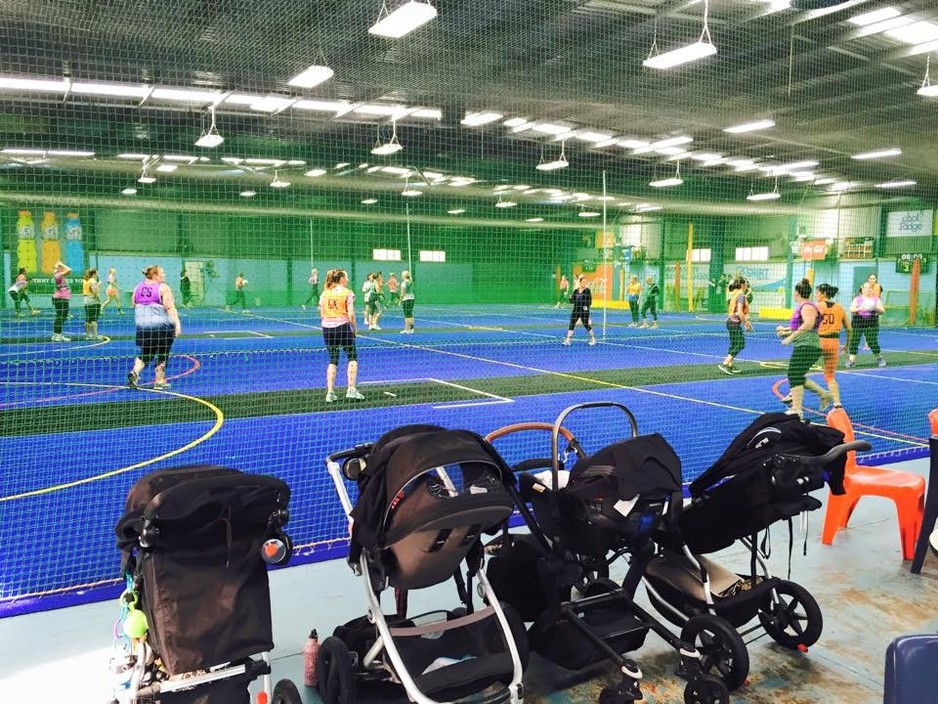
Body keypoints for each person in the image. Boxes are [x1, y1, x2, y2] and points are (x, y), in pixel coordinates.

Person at [775, 278, 829, 419]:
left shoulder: (807, 306)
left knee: (793, 374)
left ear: (797, 292)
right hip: (805, 345)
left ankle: (797, 409)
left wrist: (790, 338)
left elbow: (809, 324)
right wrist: (786, 331)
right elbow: (800, 326)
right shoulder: (803, 306)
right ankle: (823, 394)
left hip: (809, 346)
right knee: (797, 375)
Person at [128, 265, 182, 390]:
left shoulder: (138, 287)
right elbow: (170, 307)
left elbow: (133, 304)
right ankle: (159, 381)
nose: (164, 275)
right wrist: (177, 323)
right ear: (155, 275)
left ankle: (135, 371)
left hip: (143, 326)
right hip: (161, 327)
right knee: (163, 353)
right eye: (162, 273)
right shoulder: (163, 287)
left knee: (146, 352)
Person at [319, 268, 364, 402]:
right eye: (346, 277)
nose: (348, 279)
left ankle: (330, 392)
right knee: (352, 357)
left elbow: (322, 313)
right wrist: (354, 329)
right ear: (342, 279)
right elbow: (350, 314)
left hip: (327, 328)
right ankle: (351, 389)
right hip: (342, 327)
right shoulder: (347, 293)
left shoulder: (325, 293)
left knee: (333, 359)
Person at [814, 283, 850, 409]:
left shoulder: (817, 307)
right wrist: (846, 345)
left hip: (818, 341)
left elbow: (806, 325)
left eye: (817, 293)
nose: (815, 295)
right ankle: (837, 403)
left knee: (799, 370)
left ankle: (793, 396)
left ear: (823, 294)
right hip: (834, 343)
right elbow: (850, 329)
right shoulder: (839, 308)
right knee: (830, 376)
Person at [846, 282, 886, 368]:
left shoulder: (876, 299)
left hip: (872, 321)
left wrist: (875, 308)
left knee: (872, 341)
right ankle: (851, 360)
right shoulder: (857, 299)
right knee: (854, 341)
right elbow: (852, 309)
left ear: (872, 289)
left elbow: (882, 311)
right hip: (858, 321)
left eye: (870, 288)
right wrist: (860, 308)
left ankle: (879, 358)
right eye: (866, 288)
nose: (868, 289)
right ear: (862, 289)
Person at [718, 276, 751, 374]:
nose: (747, 285)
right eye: (746, 284)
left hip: (730, 322)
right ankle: (725, 363)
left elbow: (737, 312)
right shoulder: (741, 295)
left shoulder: (735, 294)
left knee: (734, 344)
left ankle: (730, 365)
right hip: (734, 323)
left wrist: (746, 322)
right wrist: (746, 323)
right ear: (742, 285)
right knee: (740, 344)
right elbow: (740, 312)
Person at [563, 274, 597, 346]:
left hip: (584, 311)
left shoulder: (587, 291)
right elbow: (572, 301)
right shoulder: (576, 291)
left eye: (586, 282)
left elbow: (590, 301)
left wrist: (586, 306)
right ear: (580, 282)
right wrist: (570, 298)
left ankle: (593, 339)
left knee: (586, 325)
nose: (585, 283)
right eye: (583, 282)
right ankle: (568, 340)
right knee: (572, 324)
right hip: (576, 310)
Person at [50, 261, 72, 342]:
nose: (62, 268)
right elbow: (69, 270)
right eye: (60, 267)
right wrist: (61, 263)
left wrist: (59, 265)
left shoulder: (58, 274)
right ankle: (58, 335)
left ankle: (56, 335)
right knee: (62, 316)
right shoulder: (59, 274)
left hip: (60, 297)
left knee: (59, 316)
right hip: (61, 298)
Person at [82, 268, 102, 340]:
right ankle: (95, 335)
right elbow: (95, 292)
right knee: (94, 319)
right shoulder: (93, 281)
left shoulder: (86, 280)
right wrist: (98, 286)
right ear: (94, 274)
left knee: (88, 318)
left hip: (86, 300)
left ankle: (87, 335)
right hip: (93, 301)